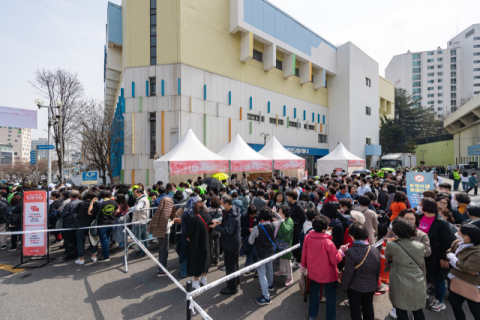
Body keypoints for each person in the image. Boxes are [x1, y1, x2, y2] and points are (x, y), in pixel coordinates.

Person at [385, 209, 432, 319]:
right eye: (407, 218)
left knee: (410, 305)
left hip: (414, 269)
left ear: (416, 220)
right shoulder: (394, 232)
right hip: (405, 272)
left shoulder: (422, 235)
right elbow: (386, 240)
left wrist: (407, 249)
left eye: (412, 219)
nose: (410, 221)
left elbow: (427, 252)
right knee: (404, 304)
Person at [300, 215, 343, 320]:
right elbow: (336, 260)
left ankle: (312, 315)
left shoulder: (308, 237)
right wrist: (341, 252)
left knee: (314, 294)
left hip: (313, 272)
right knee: (331, 296)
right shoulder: (328, 242)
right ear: (325, 228)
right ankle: (331, 317)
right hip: (329, 274)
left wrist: (303, 266)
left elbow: (304, 253)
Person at [418, 197, 454, 312]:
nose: (419, 205)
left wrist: (444, 258)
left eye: (421, 204)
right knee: (423, 275)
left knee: (438, 279)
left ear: (426, 207)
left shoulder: (441, 223)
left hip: (436, 256)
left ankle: (439, 301)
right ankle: (424, 294)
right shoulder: (418, 217)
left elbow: (448, 242)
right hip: (420, 254)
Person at [341, 222, 380, 320]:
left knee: (355, 309)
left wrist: (344, 287)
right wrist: (376, 284)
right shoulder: (375, 250)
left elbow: (348, 273)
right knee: (368, 307)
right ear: (366, 235)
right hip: (371, 285)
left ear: (352, 236)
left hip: (355, 287)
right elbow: (377, 270)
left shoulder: (351, 252)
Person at [247, 206, 284, 305]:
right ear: (270, 216)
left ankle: (266, 297)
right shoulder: (274, 224)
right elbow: (281, 219)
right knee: (270, 269)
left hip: (261, 253)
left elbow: (250, 241)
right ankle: (270, 285)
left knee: (262, 275)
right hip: (271, 251)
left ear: (260, 217)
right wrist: (274, 212)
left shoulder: (257, 228)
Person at [446, 224, 480, 320]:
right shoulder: (457, 242)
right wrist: (459, 264)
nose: (456, 234)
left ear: (467, 236)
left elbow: (468, 268)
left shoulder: (478, 251)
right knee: (455, 304)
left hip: (473, 285)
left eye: (459, 232)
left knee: (475, 310)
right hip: (456, 280)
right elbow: (448, 252)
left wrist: (452, 258)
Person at [210, 194, 241, 295]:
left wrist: (216, 227)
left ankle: (232, 287)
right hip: (233, 243)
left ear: (227, 204)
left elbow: (228, 232)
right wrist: (220, 223)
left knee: (230, 266)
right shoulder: (233, 210)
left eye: (222, 203)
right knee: (234, 264)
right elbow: (228, 226)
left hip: (230, 245)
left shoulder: (232, 216)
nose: (221, 205)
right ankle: (236, 281)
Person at [186, 202, 212, 289]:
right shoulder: (208, 215)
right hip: (206, 242)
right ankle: (204, 279)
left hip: (196, 243)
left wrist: (188, 237)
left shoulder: (194, 218)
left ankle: (196, 283)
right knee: (205, 261)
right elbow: (211, 229)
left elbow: (189, 233)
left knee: (196, 262)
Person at [88, 190, 119, 262]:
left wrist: (92, 203)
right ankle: (105, 253)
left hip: (102, 225)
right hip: (111, 223)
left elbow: (90, 212)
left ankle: (106, 256)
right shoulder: (114, 202)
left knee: (104, 241)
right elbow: (117, 211)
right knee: (107, 239)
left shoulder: (100, 204)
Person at [147, 196, 175, 276]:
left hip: (160, 233)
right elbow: (166, 226)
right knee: (164, 251)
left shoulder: (160, 210)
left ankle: (163, 264)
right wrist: (172, 222)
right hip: (164, 234)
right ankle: (161, 270)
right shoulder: (165, 213)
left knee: (161, 250)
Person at [74, 192, 98, 264]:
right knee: (93, 240)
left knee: (80, 242)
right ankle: (94, 256)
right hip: (91, 224)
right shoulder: (95, 204)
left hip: (80, 224)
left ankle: (81, 259)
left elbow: (75, 212)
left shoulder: (81, 204)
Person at [274, 206, 294, 287]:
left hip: (285, 243)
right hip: (279, 242)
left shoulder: (289, 221)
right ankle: (282, 270)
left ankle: (290, 277)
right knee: (281, 257)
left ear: (284, 213)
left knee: (287, 260)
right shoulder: (282, 219)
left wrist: (281, 221)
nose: (278, 213)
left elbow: (286, 230)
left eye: (280, 212)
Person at [60, 190, 82, 261]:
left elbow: (63, 214)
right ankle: (79, 253)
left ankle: (70, 255)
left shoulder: (68, 204)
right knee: (78, 240)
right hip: (79, 224)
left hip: (69, 225)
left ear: (70, 196)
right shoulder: (82, 203)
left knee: (69, 241)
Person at [286, 190, 306, 268]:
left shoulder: (298, 206)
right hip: (292, 227)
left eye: (287, 196)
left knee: (296, 244)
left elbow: (303, 218)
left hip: (297, 228)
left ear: (291, 197)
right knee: (293, 243)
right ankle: (296, 258)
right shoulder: (291, 204)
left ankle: (298, 261)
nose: (286, 198)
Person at [129, 187, 150, 258]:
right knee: (143, 237)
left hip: (140, 221)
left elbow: (137, 208)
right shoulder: (143, 199)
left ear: (139, 193)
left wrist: (130, 209)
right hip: (143, 220)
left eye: (135, 193)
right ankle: (145, 250)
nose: (133, 195)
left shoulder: (142, 200)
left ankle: (143, 251)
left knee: (138, 237)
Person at [208, 196, 222, 266]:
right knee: (217, 244)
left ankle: (211, 260)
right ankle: (217, 259)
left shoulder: (208, 210)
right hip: (218, 228)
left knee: (210, 244)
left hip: (210, 229)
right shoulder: (220, 210)